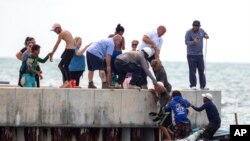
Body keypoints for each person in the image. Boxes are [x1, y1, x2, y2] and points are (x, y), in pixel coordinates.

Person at [185, 20, 209, 89]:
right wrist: (193, 42)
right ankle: (193, 85)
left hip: (200, 55)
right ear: (192, 26)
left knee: (201, 70)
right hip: (191, 55)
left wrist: (206, 36)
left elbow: (205, 34)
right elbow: (186, 42)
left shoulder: (201, 30)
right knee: (192, 71)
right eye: (195, 26)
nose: (196, 27)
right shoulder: (188, 32)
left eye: (197, 26)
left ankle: (202, 85)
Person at [50, 23, 75, 88]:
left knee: (60, 65)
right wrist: (64, 53)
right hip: (71, 50)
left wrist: (52, 53)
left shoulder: (61, 33)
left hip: (69, 50)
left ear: (58, 28)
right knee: (66, 66)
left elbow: (57, 45)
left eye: (55, 30)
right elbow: (71, 42)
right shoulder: (66, 31)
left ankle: (66, 82)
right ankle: (69, 82)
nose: (55, 32)